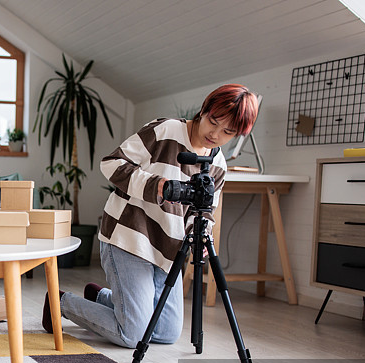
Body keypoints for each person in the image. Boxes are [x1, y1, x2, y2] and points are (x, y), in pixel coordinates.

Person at [42, 84, 260, 348]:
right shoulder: (166, 131)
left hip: (167, 249)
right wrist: (154, 185)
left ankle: (102, 298)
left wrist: (200, 235)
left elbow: (203, 210)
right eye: (213, 122)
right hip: (129, 237)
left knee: (166, 333)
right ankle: (59, 302)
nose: (215, 134)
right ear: (204, 110)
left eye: (228, 132)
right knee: (133, 334)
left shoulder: (218, 166)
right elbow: (111, 163)